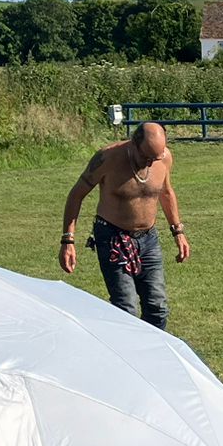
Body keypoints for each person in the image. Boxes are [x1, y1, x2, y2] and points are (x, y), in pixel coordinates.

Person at [58, 122, 189, 329]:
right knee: (126, 308)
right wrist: (68, 239)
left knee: (158, 307)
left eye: (153, 158)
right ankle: (125, 354)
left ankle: (151, 354)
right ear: (134, 143)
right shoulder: (107, 158)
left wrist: (178, 231)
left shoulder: (163, 159)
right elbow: (77, 194)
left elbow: (165, 192)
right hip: (112, 237)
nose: (148, 163)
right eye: (145, 157)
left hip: (148, 239)